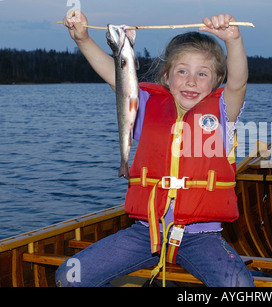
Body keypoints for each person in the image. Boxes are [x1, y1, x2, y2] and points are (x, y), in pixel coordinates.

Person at [55, 10, 254, 287]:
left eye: (202, 74)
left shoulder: (223, 112)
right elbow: (117, 76)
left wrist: (233, 39)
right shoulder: (146, 107)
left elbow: (239, 81)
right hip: (145, 233)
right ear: (166, 76)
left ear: (217, 80)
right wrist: (83, 38)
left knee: (240, 287)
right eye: (182, 71)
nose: (191, 81)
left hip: (201, 237)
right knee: (69, 274)